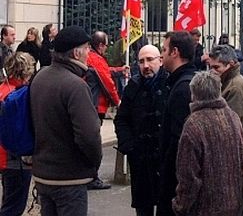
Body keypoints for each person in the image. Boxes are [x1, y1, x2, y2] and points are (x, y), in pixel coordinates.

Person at [30, 26, 102, 215]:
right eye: (87, 48)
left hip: (43, 174)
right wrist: (93, 164)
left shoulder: (40, 77)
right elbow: (89, 135)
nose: (89, 52)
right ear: (77, 53)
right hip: (69, 178)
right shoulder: (76, 85)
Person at [172, 71, 243, 216]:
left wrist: (180, 206)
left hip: (205, 208)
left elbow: (188, 175)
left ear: (194, 94)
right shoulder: (233, 117)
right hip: (234, 205)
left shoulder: (194, 124)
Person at [115, 45, 170, 216]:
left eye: (150, 60)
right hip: (141, 159)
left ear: (160, 60)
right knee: (143, 208)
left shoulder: (171, 83)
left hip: (165, 160)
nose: (146, 65)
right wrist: (129, 146)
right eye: (141, 61)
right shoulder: (134, 85)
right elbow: (121, 119)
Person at [157, 31, 197, 216]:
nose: (161, 54)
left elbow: (180, 142)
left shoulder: (183, 88)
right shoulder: (182, 82)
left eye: (164, 50)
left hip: (176, 181)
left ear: (175, 52)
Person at [86, 31, 126, 190]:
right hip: (96, 106)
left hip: (91, 105)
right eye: (106, 44)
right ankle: (92, 177)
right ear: (100, 45)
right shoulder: (96, 59)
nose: (108, 47)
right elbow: (107, 83)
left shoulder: (90, 57)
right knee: (93, 143)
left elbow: (104, 72)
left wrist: (118, 70)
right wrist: (118, 102)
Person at [0, 52, 36, 215]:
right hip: (15, 158)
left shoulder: (3, 89)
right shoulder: (20, 95)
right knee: (14, 207)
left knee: (8, 200)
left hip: (4, 156)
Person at [208, 44, 243, 156]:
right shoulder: (228, 82)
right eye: (211, 67)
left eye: (216, 67)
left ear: (230, 64)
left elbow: (230, 126)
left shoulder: (235, 87)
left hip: (236, 154)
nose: (212, 72)